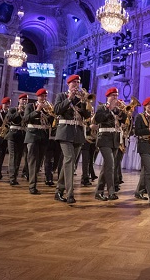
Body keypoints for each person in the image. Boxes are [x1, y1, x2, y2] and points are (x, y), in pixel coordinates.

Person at [53, 75, 92, 204]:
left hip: (78, 133)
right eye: (74, 82)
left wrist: (86, 103)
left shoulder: (81, 99)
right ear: (68, 83)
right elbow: (57, 110)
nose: (76, 84)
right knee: (69, 159)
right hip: (64, 132)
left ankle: (59, 190)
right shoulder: (61, 96)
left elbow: (87, 116)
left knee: (69, 163)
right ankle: (70, 194)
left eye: (78, 82)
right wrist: (70, 98)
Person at [93, 87, 127, 201]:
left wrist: (124, 111)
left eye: (116, 95)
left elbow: (123, 120)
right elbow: (98, 119)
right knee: (111, 164)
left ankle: (99, 192)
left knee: (107, 166)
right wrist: (109, 109)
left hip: (115, 140)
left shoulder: (118, 109)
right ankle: (111, 192)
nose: (115, 98)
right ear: (108, 96)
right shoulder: (102, 107)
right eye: (113, 95)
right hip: (104, 139)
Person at [24, 89, 53, 195]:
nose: (44, 98)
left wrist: (51, 114)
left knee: (38, 163)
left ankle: (33, 182)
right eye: (42, 96)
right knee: (32, 162)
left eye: (45, 96)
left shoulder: (47, 108)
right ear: (37, 97)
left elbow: (51, 122)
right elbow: (25, 119)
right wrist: (37, 110)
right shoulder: (30, 106)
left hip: (43, 137)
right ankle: (32, 186)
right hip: (32, 136)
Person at [133, 97, 150, 202]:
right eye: (149, 105)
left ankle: (138, 192)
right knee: (149, 171)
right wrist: (149, 130)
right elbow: (137, 132)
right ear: (145, 106)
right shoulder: (140, 117)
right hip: (144, 145)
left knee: (145, 171)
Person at [5, 94, 28, 187]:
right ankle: (11, 178)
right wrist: (18, 112)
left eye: (26, 99)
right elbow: (8, 118)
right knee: (13, 156)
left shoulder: (27, 111)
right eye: (23, 99)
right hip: (12, 135)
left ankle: (15, 177)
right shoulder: (13, 109)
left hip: (22, 135)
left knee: (18, 158)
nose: (24, 101)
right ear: (19, 100)